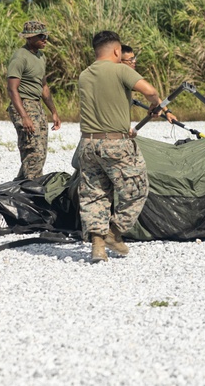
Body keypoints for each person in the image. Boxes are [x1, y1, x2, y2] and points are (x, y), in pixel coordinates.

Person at [77, 30, 162, 263]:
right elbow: (150, 91)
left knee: (94, 194)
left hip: (87, 143)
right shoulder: (121, 70)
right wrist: (156, 106)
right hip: (116, 143)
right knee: (137, 188)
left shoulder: (84, 75)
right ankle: (114, 232)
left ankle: (98, 247)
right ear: (117, 50)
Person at [6, 20, 61, 179]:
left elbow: (43, 86)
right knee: (32, 151)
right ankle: (31, 190)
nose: (45, 40)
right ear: (29, 38)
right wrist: (24, 116)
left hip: (36, 106)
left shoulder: (41, 56)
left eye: (46, 36)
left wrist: (54, 112)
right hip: (23, 105)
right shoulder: (20, 57)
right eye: (41, 36)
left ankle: (20, 187)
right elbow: (12, 89)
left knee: (41, 151)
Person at [122, 45, 177, 125]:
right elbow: (151, 93)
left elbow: (152, 94)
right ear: (119, 61)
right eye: (130, 60)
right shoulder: (123, 74)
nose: (134, 61)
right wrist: (155, 104)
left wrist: (167, 111)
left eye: (134, 58)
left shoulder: (128, 76)